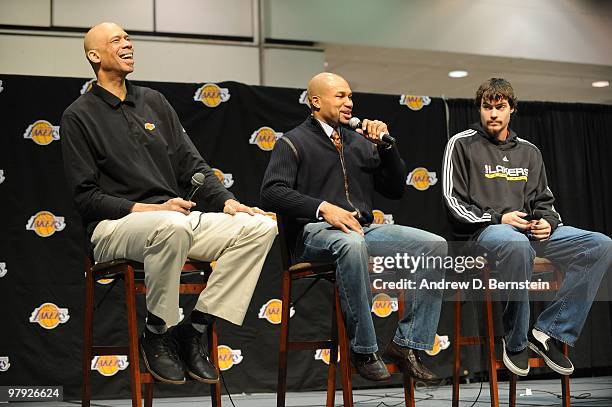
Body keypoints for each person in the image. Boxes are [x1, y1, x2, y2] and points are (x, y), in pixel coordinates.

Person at [60, 22, 277, 385]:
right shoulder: (78, 116)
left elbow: (192, 165)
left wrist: (228, 203)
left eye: (129, 38)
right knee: (171, 226)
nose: (128, 44)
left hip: (171, 221)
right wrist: (148, 210)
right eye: (117, 40)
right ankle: (158, 330)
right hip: (115, 228)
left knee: (260, 227)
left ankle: (195, 328)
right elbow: (86, 197)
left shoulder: (154, 102)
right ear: (94, 56)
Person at [261, 72, 446, 382]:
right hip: (313, 234)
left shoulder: (359, 140)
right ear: (316, 101)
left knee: (434, 247)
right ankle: (363, 348)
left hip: (362, 230)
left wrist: (386, 149)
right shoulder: (293, 142)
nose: (348, 102)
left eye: (350, 96)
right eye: (340, 96)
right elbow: (271, 192)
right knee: (351, 244)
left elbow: (395, 189)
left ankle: (406, 344)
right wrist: (322, 208)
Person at [442, 78, 611, 377]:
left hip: (527, 232)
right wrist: (498, 218)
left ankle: (546, 332)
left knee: (600, 244)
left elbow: (544, 201)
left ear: (512, 110)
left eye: (500, 107)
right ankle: (516, 340)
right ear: (479, 110)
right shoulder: (461, 143)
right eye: (487, 107)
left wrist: (548, 221)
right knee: (515, 244)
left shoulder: (529, 151)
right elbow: (453, 203)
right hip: (484, 234)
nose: (493, 114)